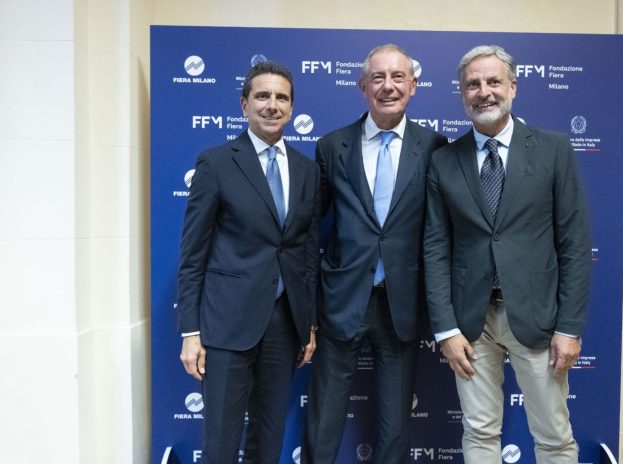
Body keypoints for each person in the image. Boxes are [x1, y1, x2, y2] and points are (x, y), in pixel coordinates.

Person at [424, 44, 591, 463]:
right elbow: (436, 249)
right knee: (479, 432)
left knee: (553, 436)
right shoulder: (444, 161)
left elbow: (573, 244)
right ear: (462, 94)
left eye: (493, 82)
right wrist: (445, 330)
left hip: (537, 318)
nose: (484, 92)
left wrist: (569, 327)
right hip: (471, 324)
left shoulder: (554, 150)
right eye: (473, 85)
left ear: (513, 87)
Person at [302, 44, 448, 463]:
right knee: (324, 416)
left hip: (403, 303)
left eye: (398, 77)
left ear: (413, 85)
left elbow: (442, 230)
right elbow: (309, 227)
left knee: (395, 424)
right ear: (362, 86)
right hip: (341, 299)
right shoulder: (332, 146)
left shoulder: (435, 146)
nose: (388, 86)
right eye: (378, 78)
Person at [176, 61, 321, 464]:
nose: (272, 105)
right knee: (221, 444)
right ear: (244, 105)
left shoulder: (307, 171)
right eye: (263, 96)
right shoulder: (217, 163)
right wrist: (190, 331)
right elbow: (192, 253)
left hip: (284, 326)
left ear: (291, 108)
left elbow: (307, 254)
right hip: (226, 325)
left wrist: (308, 324)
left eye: (282, 98)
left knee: (269, 439)